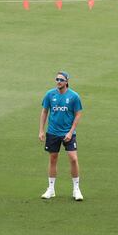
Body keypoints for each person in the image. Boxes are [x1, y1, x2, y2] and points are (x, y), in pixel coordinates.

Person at [38, 71, 83, 201]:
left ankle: (76, 189)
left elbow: (78, 114)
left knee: (73, 158)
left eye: (61, 80)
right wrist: (41, 130)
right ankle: (51, 189)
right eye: (57, 79)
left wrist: (70, 132)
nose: (58, 81)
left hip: (68, 133)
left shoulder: (74, 96)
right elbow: (45, 111)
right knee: (53, 158)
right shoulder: (50, 95)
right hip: (52, 132)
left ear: (67, 81)